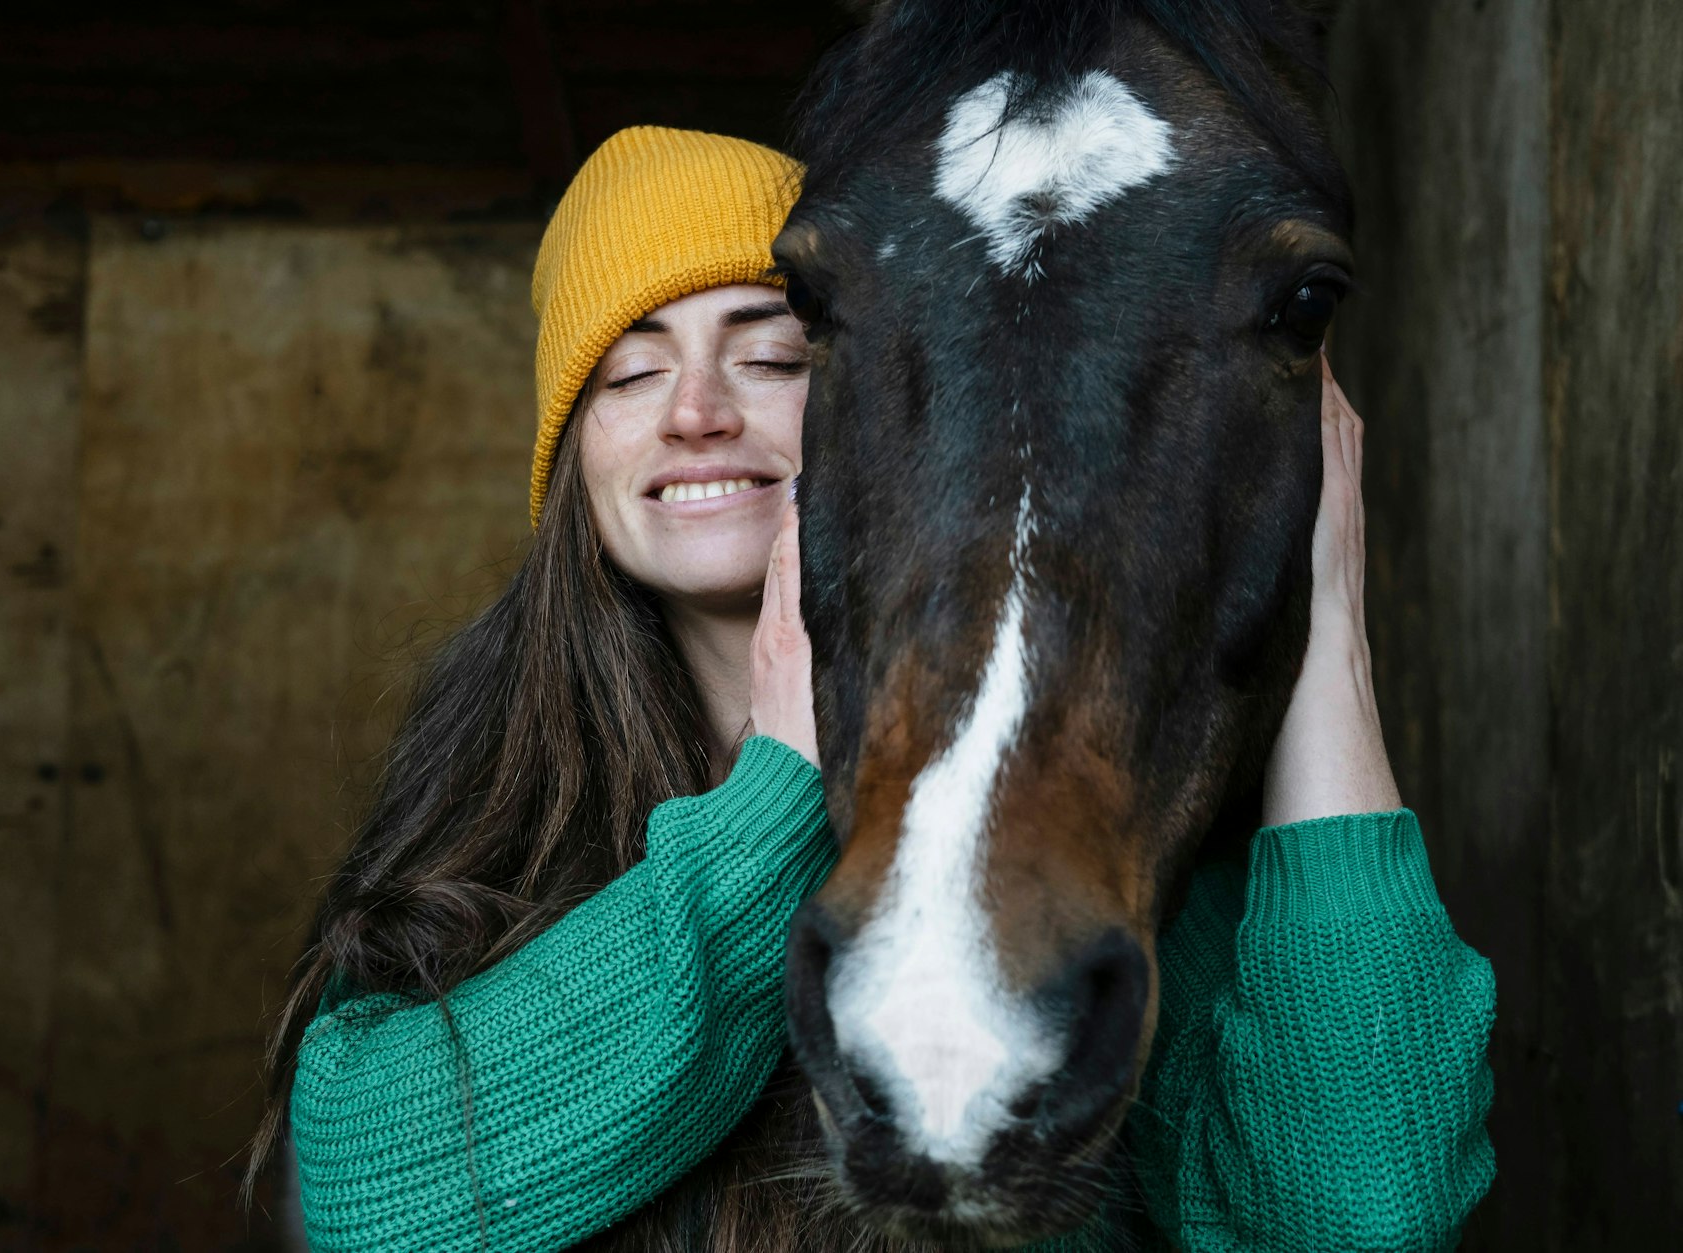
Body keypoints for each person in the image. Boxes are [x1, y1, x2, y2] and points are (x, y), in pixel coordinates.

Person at [249, 127, 1496, 1252]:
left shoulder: (1061, 804)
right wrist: (778, 800)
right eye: (627, 377)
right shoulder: (496, 800)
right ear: (576, 461)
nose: (694, 411)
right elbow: (371, 1191)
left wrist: (1327, 631)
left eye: (773, 354)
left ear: (892, 415)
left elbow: (1355, 1214)